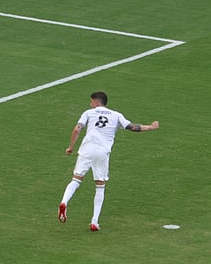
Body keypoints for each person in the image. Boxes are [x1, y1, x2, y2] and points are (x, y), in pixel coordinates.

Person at [58, 91, 160, 231]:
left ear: (96, 102)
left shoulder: (88, 113)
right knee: (100, 185)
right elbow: (133, 127)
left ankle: (64, 202)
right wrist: (151, 127)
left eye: (91, 101)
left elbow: (77, 129)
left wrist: (70, 147)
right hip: (102, 151)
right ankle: (94, 222)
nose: (90, 104)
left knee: (76, 179)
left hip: (87, 148)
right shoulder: (116, 115)